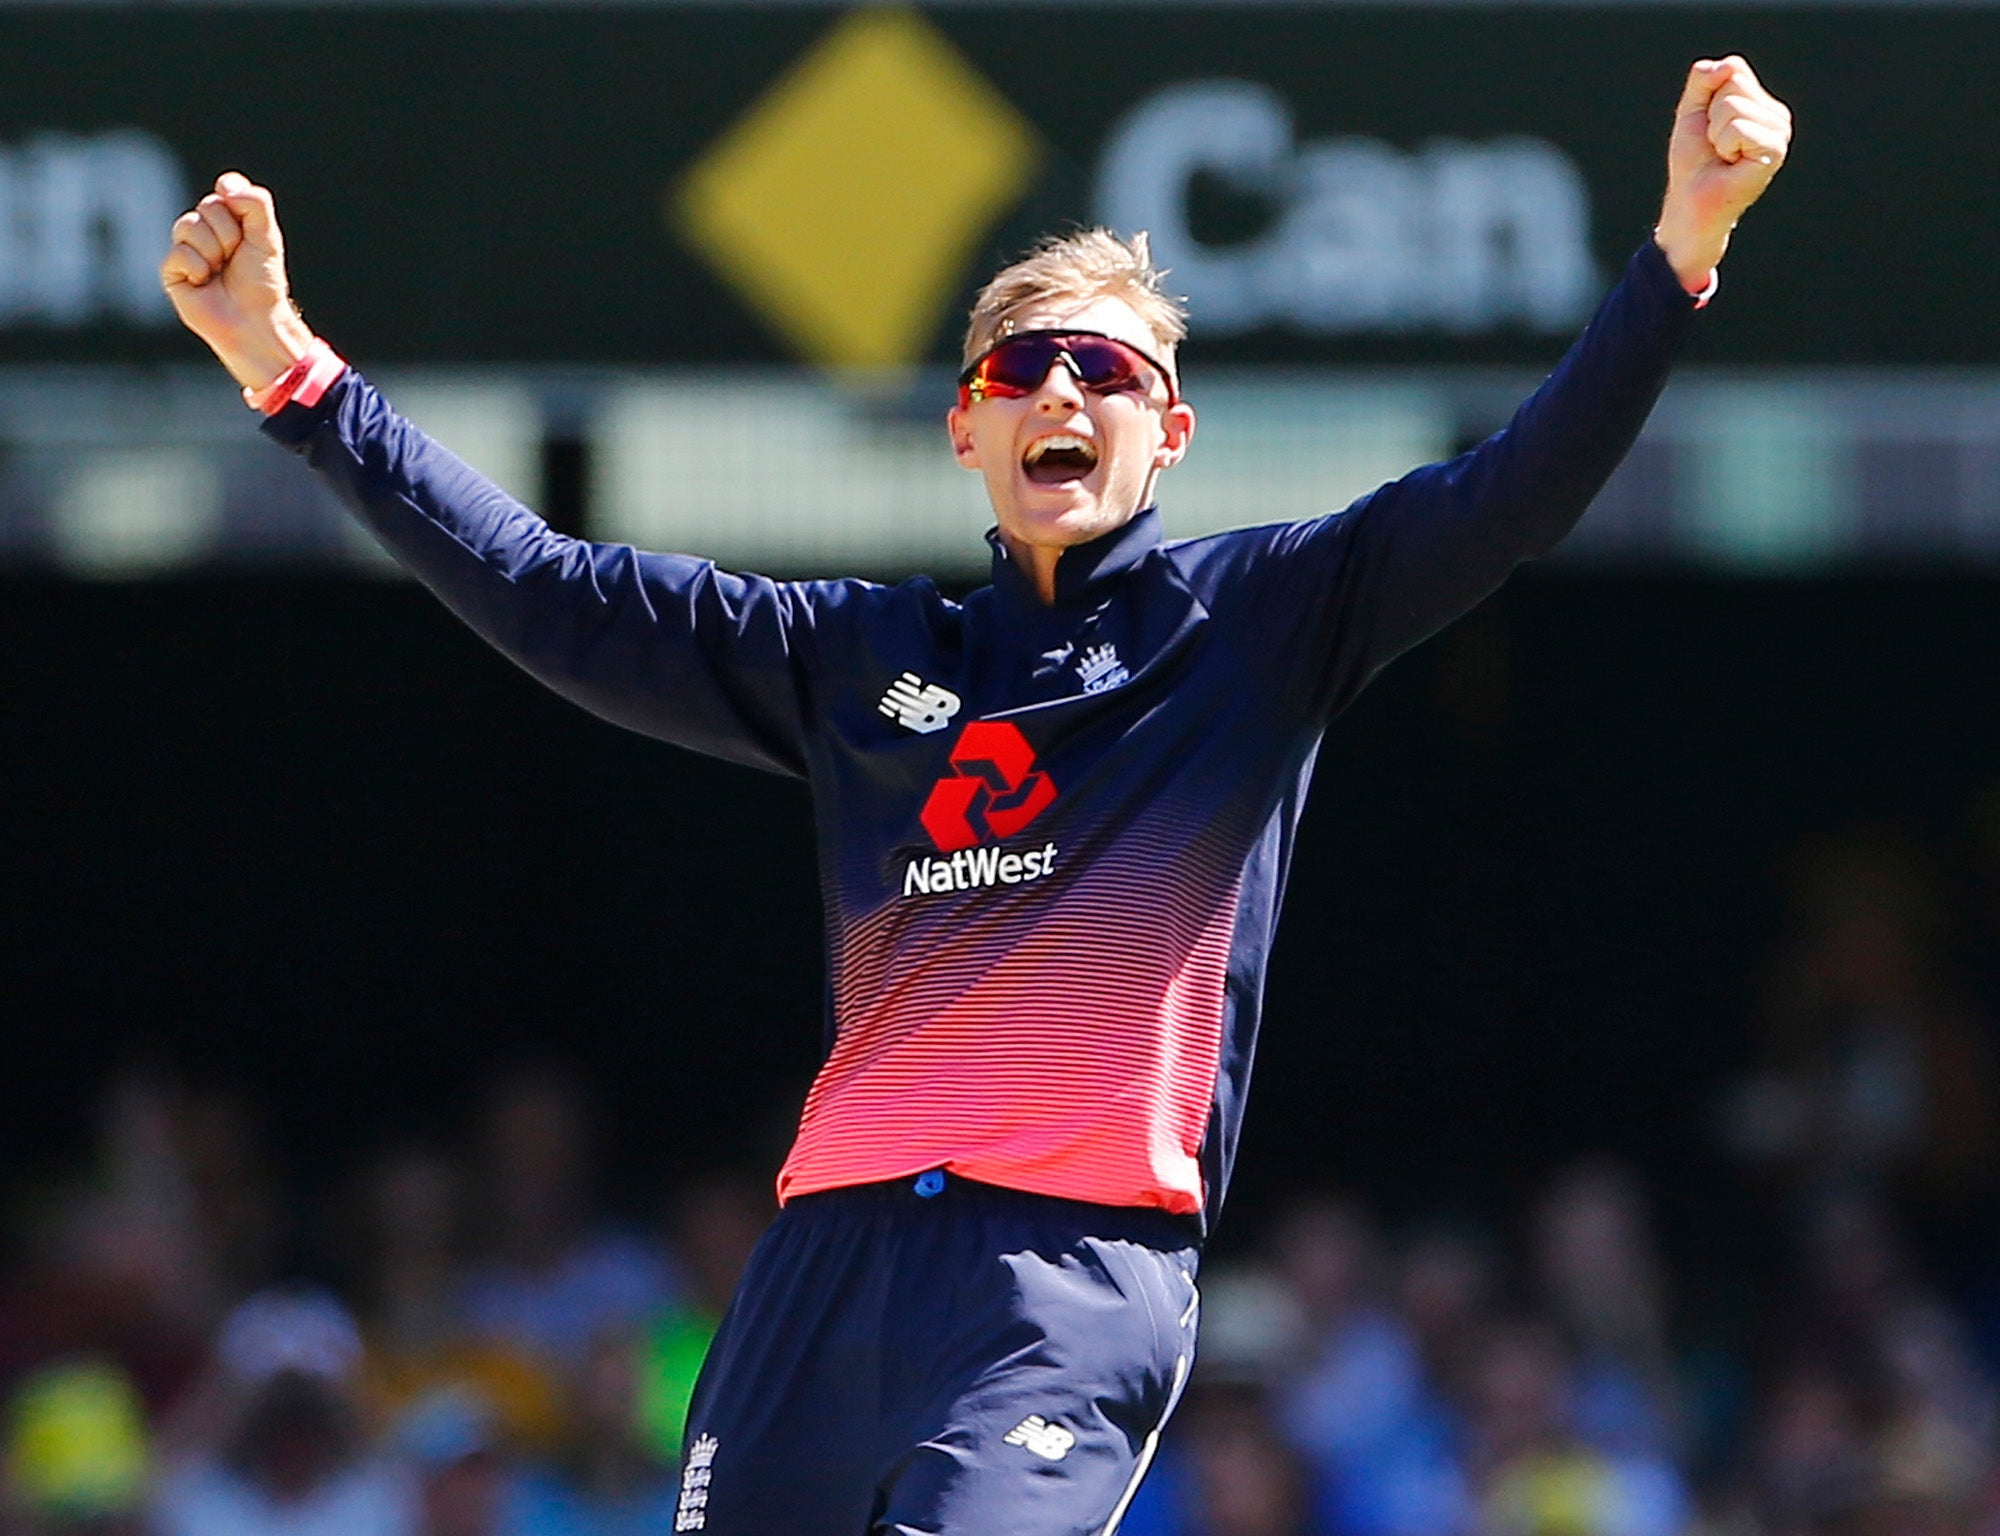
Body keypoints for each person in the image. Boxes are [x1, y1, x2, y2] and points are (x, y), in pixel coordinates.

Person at [159, 55, 1790, 1535]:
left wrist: (1681, 252)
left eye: (1107, 371)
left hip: (1066, 1279)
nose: (1063, 395)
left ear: (1172, 434)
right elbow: (554, 590)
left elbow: (1516, 489)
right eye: (1023, 369)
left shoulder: (1261, 625)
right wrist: (291, 377)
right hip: (827, 1268)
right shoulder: (859, 655)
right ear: (965, 426)